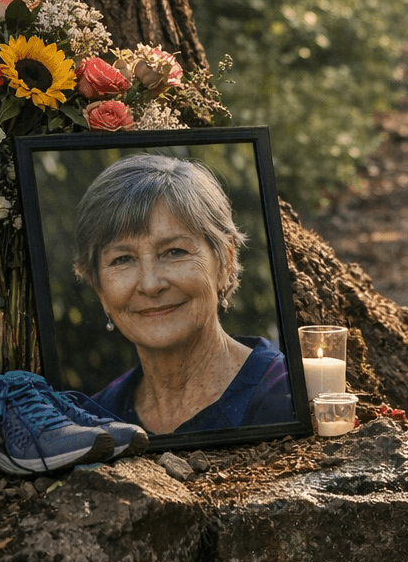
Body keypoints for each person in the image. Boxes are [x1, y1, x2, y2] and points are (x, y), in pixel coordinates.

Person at [74, 154, 292, 435]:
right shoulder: (94, 420)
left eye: (174, 252)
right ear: (100, 289)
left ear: (224, 263)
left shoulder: (282, 395)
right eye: (123, 259)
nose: (151, 285)